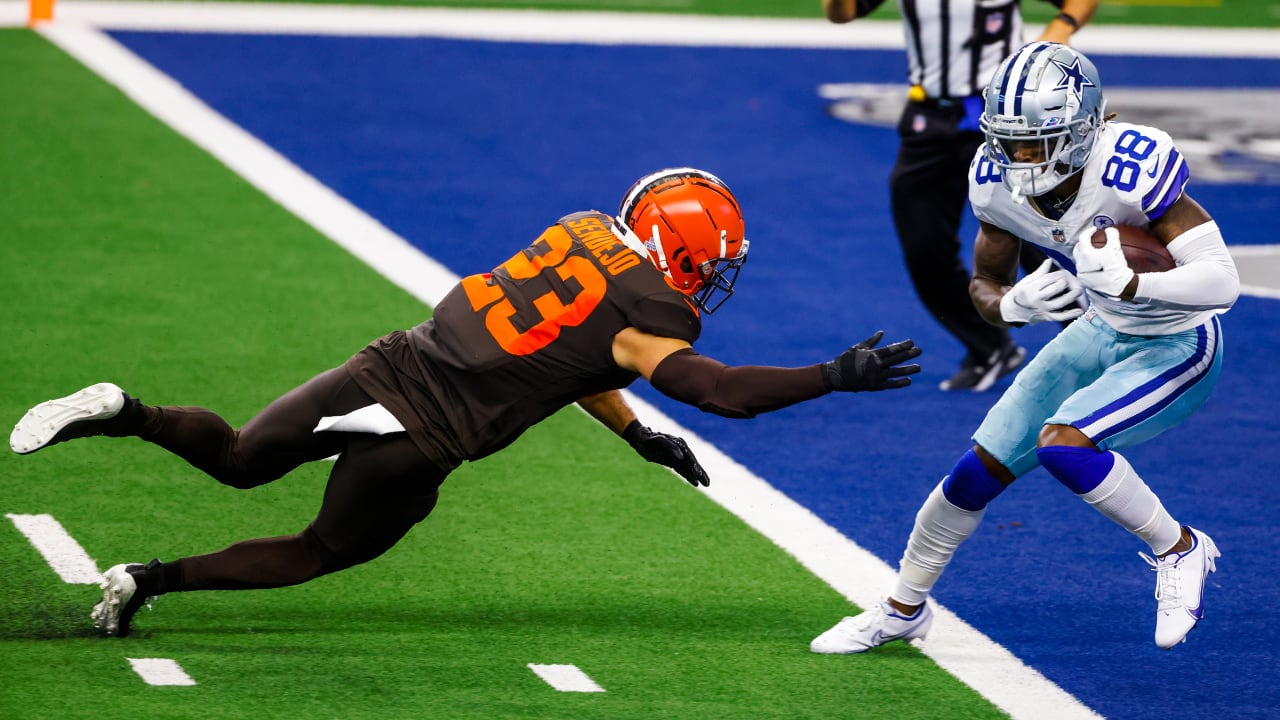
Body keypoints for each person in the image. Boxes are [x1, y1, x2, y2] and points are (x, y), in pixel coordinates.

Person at [10, 167, 923, 639]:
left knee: (240, 457)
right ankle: (144, 581)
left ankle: (124, 409)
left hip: (385, 366)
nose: (711, 281)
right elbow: (714, 389)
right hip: (427, 437)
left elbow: (571, 358)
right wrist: (826, 377)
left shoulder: (581, 231)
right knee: (319, 549)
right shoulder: (654, 308)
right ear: (681, 253)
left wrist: (637, 434)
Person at [810, 43, 1239, 653]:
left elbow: (1222, 282)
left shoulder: (1132, 168)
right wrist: (1012, 306)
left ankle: (1182, 548)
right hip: (1102, 326)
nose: (1019, 157)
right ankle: (903, 610)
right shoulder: (994, 182)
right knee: (972, 476)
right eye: (1009, 140)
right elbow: (985, 282)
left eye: (1037, 141)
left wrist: (1134, 282)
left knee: (1063, 446)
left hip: (1176, 340)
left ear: (1084, 129)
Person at [823, 0, 1098, 391]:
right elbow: (842, 13)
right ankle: (989, 346)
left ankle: (1093, 343)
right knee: (924, 251)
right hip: (928, 118)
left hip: (1006, 122)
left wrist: (1064, 24)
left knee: (1042, 240)